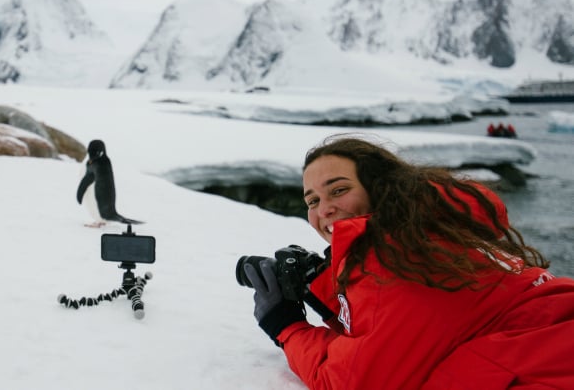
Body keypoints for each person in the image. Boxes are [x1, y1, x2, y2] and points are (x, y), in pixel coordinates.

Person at [244, 135, 574, 389]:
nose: (324, 209)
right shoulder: (432, 235)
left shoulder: (397, 261)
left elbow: (355, 381)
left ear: (380, 189)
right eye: (312, 200)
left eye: (339, 189)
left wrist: (284, 324)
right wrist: (324, 289)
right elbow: (419, 330)